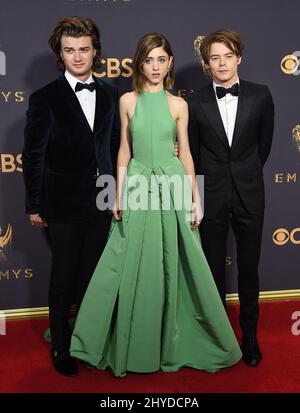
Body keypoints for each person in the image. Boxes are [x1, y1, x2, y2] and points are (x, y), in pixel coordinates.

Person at [70, 32, 242, 378]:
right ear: (140, 62)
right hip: (135, 183)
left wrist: (196, 198)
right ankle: (130, 339)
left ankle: (174, 337)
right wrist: (116, 193)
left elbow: (187, 154)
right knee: (128, 258)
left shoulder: (180, 105)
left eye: (161, 60)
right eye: (149, 60)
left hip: (172, 182)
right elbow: (123, 150)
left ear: (170, 63)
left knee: (176, 261)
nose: (155, 67)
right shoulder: (127, 101)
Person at [22, 16, 120, 376]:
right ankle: (61, 347)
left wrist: (114, 193)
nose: (77, 57)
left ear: (95, 51)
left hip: (101, 200)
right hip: (61, 201)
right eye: (69, 51)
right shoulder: (45, 97)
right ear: (59, 54)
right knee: (63, 276)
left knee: (93, 275)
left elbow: (112, 146)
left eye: (83, 50)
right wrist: (34, 203)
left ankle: (89, 340)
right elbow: (33, 154)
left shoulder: (110, 92)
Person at [188, 29, 274, 367]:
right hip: (210, 196)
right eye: (214, 58)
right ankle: (219, 340)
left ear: (239, 57)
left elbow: (262, 147)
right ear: (207, 64)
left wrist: (245, 174)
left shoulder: (261, 95)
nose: (222, 63)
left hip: (250, 194)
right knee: (212, 272)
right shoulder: (194, 101)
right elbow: (191, 156)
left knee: (249, 269)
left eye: (228, 56)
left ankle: (250, 338)